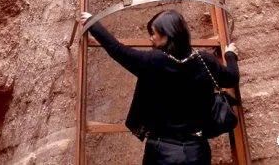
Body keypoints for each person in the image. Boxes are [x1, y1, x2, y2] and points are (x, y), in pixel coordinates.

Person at [81, 9, 239, 165]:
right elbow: (231, 78)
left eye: (153, 33)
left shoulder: (152, 61)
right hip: (197, 151)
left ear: (167, 35)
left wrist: (92, 23)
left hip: (161, 151)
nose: (151, 38)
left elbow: (117, 50)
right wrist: (230, 55)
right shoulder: (205, 61)